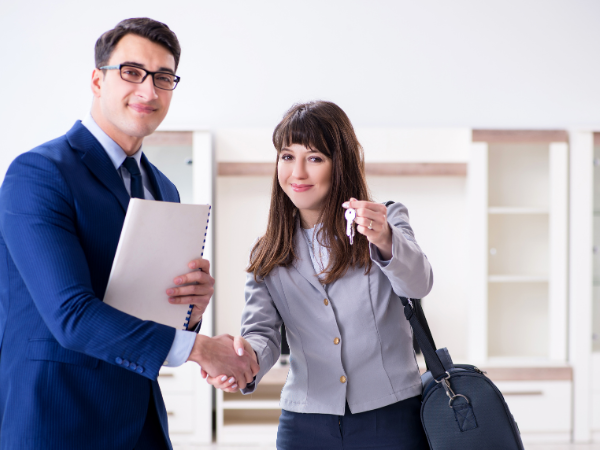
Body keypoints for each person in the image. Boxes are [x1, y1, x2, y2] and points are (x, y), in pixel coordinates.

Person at [0, 18, 257, 450]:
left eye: (163, 78)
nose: (149, 91)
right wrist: (198, 348)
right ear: (97, 80)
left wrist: (191, 305)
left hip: (141, 424)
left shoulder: (164, 187)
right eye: (132, 72)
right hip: (56, 420)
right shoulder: (40, 173)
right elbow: (71, 316)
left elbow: (150, 311)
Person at [206, 100, 433, 449]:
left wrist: (385, 238)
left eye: (314, 158)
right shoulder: (268, 251)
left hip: (392, 417)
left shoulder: (386, 219)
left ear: (339, 164)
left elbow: (418, 283)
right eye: (287, 156)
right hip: (305, 425)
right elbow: (261, 334)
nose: (297, 172)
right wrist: (242, 362)